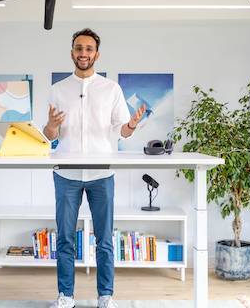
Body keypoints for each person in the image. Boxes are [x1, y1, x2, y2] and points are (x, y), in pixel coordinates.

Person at [43, 28, 146, 308]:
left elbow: (122, 131)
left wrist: (133, 124)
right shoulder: (58, 89)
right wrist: (52, 124)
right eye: (79, 48)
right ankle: (66, 296)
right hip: (66, 174)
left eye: (89, 49)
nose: (84, 53)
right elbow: (50, 135)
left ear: (97, 54)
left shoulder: (111, 89)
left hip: (102, 174)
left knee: (104, 240)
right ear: (72, 52)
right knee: (64, 239)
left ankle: (105, 296)